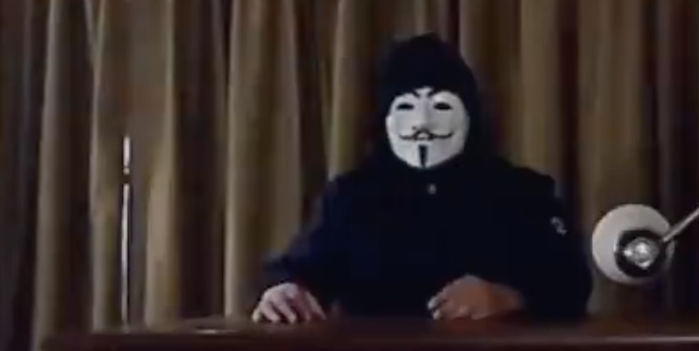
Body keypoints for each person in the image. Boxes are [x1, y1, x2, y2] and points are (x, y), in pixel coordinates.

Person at [250, 33, 593, 323]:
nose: (423, 124)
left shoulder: (522, 193)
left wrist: (510, 296)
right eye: (406, 107)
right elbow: (301, 267)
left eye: (441, 107)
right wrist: (285, 289)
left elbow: (571, 281)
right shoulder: (351, 197)